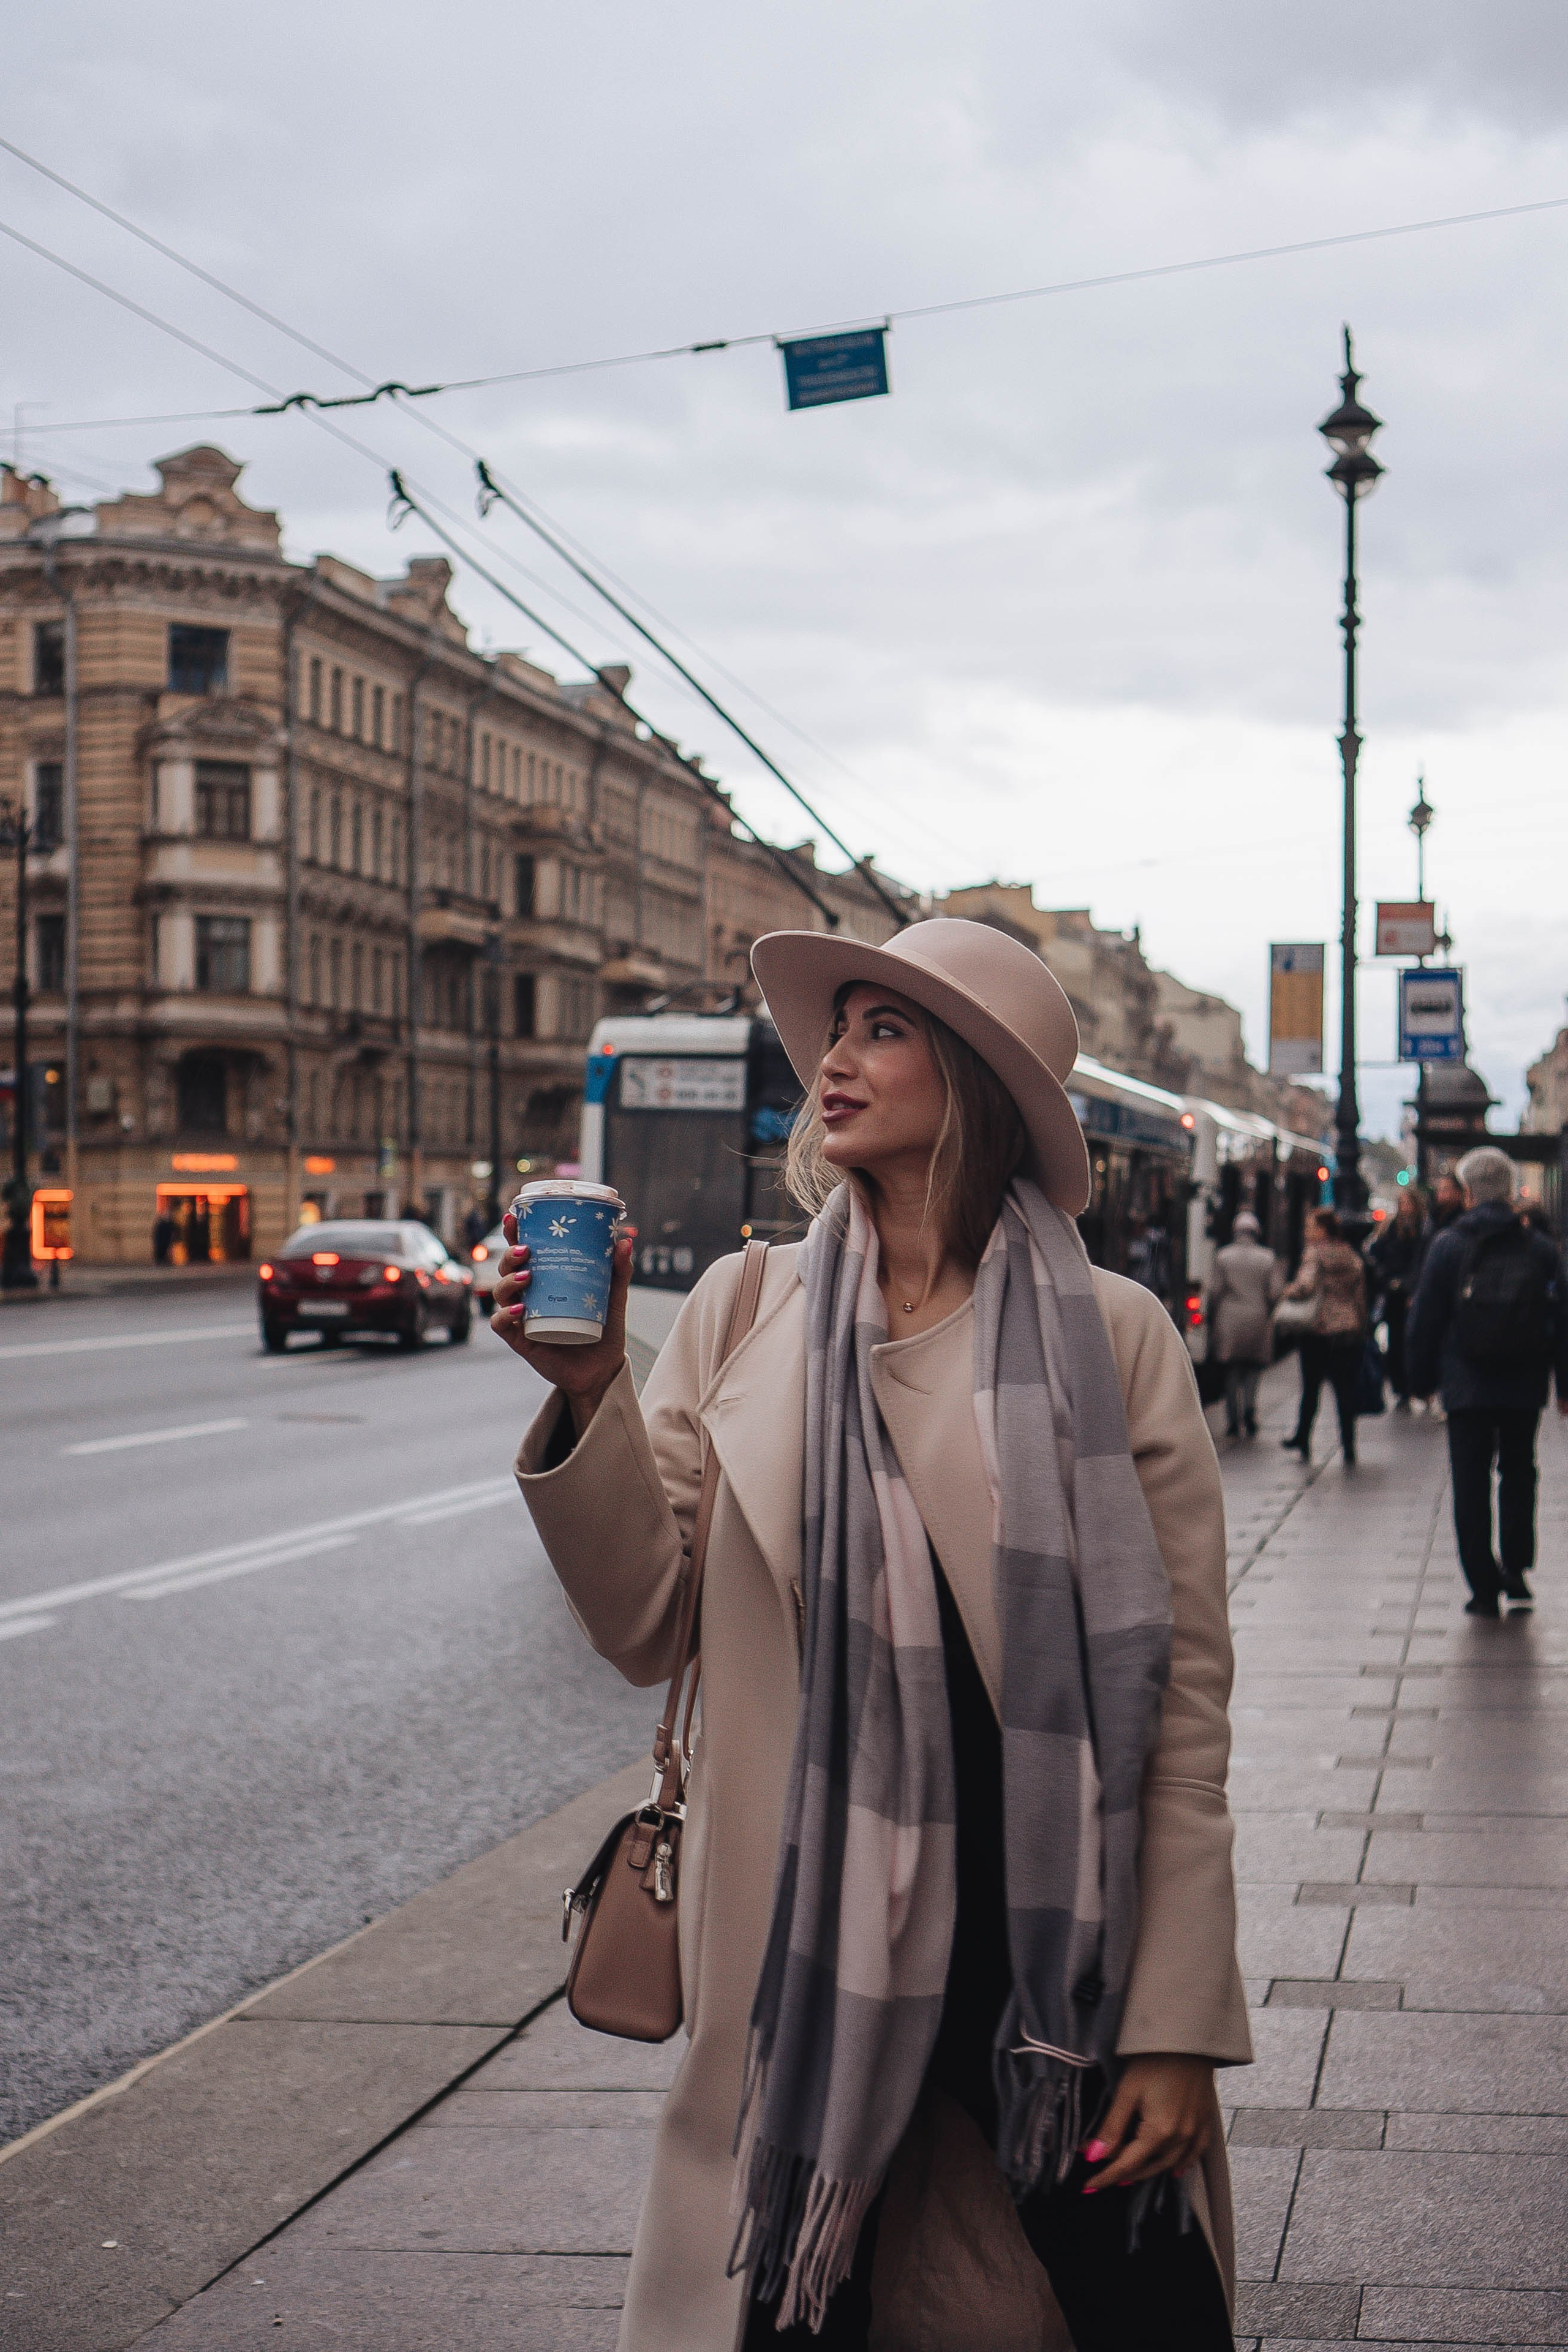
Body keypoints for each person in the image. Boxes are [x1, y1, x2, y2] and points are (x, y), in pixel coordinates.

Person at [497, 919, 1251, 2352]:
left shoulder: (1113, 1333)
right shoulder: (743, 1309)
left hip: (1049, 1964)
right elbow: (645, 1621)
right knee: (797, 2307)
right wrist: (587, 1389)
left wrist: (1174, 2018)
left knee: (1135, 2306)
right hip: (808, 1949)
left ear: (971, 1077)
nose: (831, 1060)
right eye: (834, 1028)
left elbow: (1182, 1706)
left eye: (881, 1029)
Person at [1407, 1145, 1568, 1618]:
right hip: (1523, 1383)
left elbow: (1425, 1320)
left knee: (1470, 1482)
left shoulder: (1448, 1245)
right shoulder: (1540, 1248)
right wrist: (1564, 1385)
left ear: (1469, 1191)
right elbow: (1561, 1320)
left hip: (1466, 1384)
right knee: (1519, 1473)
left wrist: (1420, 1381)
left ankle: (1482, 1585)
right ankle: (1516, 1570)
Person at [1280, 1206, 1368, 1466]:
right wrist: (1361, 1325)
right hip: (1346, 1330)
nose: (1307, 1231)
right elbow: (1360, 1296)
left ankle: (1303, 1438)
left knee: (1311, 1388)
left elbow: (1305, 1286)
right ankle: (1349, 1446)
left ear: (1322, 1230)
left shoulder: (1315, 1254)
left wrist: (1288, 1291)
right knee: (1345, 1391)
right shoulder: (1350, 1255)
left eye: (1310, 1226)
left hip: (1318, 1330)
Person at [1204, 1210, 1283, 1439]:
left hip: (1229, 1319)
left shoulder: (1223, 1256)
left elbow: (1215, 1291)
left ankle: (1232, 1419)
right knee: (1253, 1370)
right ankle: (1250, 1411)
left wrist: (1212, 1315)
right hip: (1258, 1317)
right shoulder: (1268, 1257)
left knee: (1231, 1370)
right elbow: (1276, 1292)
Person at [1366, 1189, 1428, 1408]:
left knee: (1411, 1341)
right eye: (1401, 1203)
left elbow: (1421, 1262)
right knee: (1395, 1342)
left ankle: (1412, 1385)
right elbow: (1377, 1254)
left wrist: (1410, 1287)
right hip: (1393, 1294)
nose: (1405, 1207)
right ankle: (1400, 1386)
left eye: (1407, 1203)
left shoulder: (1423, 1229)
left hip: (1411, 1295)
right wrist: (1387, 1279)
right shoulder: (1391, 1228)